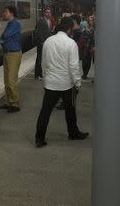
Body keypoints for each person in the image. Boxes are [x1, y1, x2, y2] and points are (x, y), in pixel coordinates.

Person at [35, 17, 88, 147]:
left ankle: (39, 138)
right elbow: (74, 66)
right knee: (70, 110)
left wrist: (46, 78)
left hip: (51, 83)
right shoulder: (71, 43)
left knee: (45, 111)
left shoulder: (48, 41)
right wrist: (78, 83)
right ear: (69, 29)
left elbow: (44, 62)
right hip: (66, 84)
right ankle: (73, 133)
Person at [0, 5, 22, 113]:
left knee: (11, 80)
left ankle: (15, 104)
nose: (4, 13)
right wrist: (2, 39)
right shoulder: (9, 24)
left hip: (13, 54)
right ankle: (9, 102)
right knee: (6, 80)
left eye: (6, 12)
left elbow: (5, 35)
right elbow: (3, 36)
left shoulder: (16, 24)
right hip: (7, 54)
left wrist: (3, 40)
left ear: (12, 13)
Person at [34, 8, 53, 80]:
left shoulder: (49, 21)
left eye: (49, 12)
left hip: (47, 43)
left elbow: (49, 32)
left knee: (44, 59)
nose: (48, 14)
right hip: (41, 43)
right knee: (39, 59)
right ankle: (37, 75)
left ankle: (42, 73)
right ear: (44, 13)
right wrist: (42, 42)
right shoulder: (41, 20)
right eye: (47, 12)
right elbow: (39, 32)